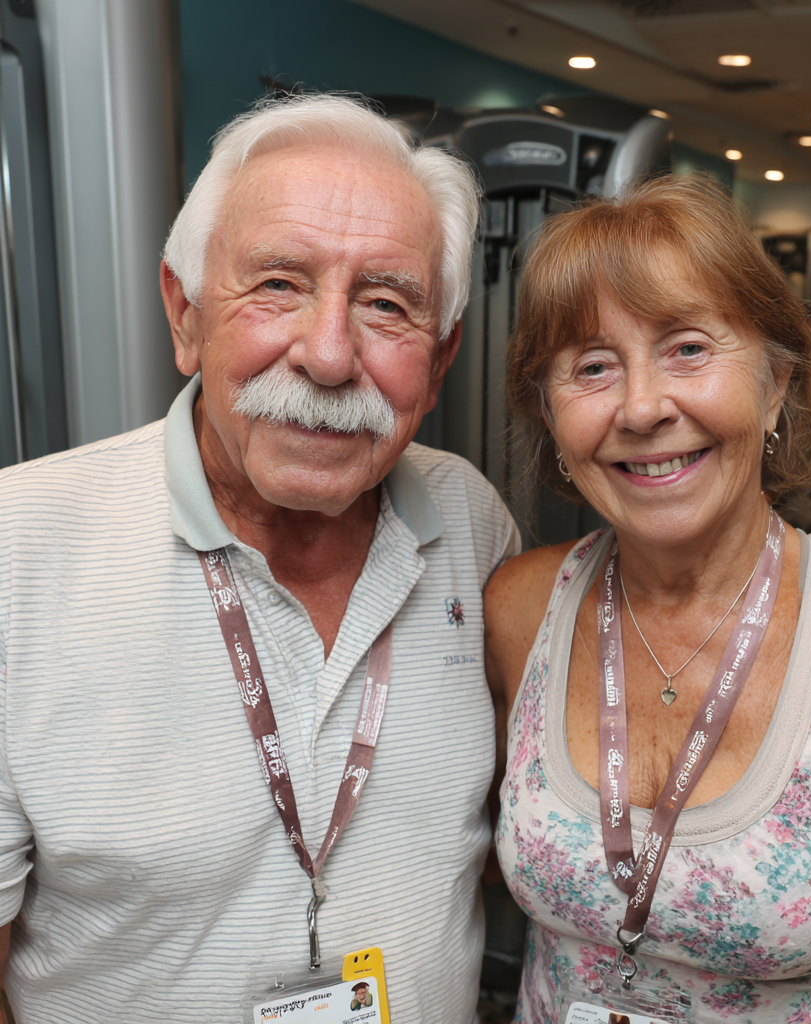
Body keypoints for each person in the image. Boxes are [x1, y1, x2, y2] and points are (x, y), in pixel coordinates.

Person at [0, 93, 518, 1022]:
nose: (329, 355)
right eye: (279, 284)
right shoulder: (18, 549)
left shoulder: (473, 525)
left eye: (386, 304)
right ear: (185, 315)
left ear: (441, 362)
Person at [485, 176, 811, 1023]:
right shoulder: (519, 609)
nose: (642, 407)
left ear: (774, 385)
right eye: (593, 367)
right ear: (550, 417)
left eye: (688, 348)